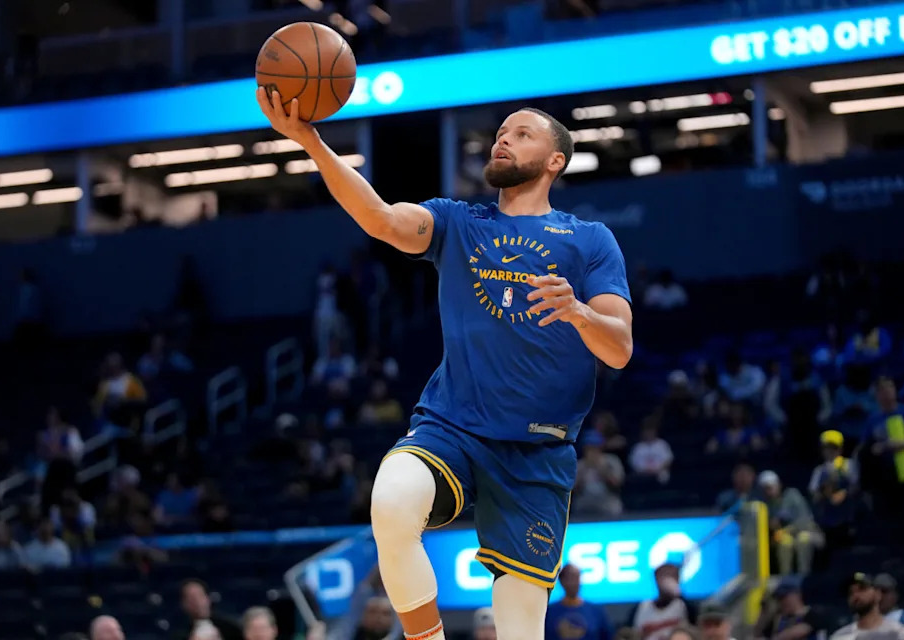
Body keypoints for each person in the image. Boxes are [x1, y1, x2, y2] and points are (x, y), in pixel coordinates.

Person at [257, 84, 633, 640]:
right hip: (453, 426)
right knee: (389, 502)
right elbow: (382, 218)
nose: (503, 140)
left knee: (520, 628)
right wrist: (310, 141)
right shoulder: (459, 222)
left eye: (521, 134)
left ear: (555, 160)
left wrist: (578, 311)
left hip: (537, 449)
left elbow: (619, 348)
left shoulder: (589, 240)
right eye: (500, 133)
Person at [865, 377, 904, 544]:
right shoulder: (873, 419)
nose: (887, 393)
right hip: (884, 473)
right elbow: (868, 447)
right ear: (877, 395)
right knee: (887, 517)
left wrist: (902, 444)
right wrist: (881, 447)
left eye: (889, 388)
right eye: (882, 390)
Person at [807, 431, 856, 561]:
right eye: (826, 448)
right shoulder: (819, 470)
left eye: (833, 448)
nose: (830, 452)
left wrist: (843, 493)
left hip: (847, 517)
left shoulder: (849, 465)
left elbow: (856, 486)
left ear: (840, 449)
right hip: (828, 519)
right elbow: (814, 493)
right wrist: (826, 491)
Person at [758, 471, 818, 575]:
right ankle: (785, 578)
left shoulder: (793, 495)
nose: (768, 492)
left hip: (808, 532)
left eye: (770, 487)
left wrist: (786, 530)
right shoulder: (764, 505)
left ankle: (804, 576)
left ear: (779, 485)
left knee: (803, 539)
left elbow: (805, 521)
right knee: (785, 543)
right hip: (785, 537)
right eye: (765, 489)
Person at [831, 573, 904, 640]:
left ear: (878, 594)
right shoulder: (840, 636)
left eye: (862, 589)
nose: (856, 595)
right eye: (851, 592)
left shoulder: (897, 633)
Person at [545, 564, 614, 640]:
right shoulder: (549, 612)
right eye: (570, 578)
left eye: (576, 577)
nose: (574, 583)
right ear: (561, 581)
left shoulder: (596, 612)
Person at [631, 564, 694, 640]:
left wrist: (677, 592)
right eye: (663, 576)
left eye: (671, 576)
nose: (667, 581)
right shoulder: (642, 606)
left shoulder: (683, 605)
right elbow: (629, 633)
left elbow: (695, 624)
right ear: (656, 579)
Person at [755, 578, 827, 640]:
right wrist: (764, 609)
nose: (782, 602)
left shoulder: (813, 613)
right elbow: (758, 634)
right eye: (779, 598)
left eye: (784, 597)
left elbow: (800, 630)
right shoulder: (780, 619)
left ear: (797, 594)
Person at [175, 579, 242, 640]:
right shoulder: (180, 634)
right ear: (184, 604)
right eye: (192, 598)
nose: (197, 602)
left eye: (200, 596)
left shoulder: (230, 628)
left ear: (208, 599)